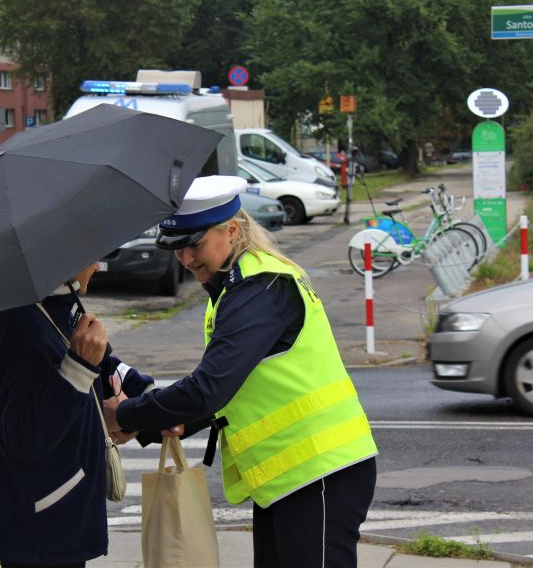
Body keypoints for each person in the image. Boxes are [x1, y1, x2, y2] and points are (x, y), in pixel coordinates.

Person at [104, 175, 378, 568]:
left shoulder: (260, 290)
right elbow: (236, 386)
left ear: (231, 230)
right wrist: (170, 422)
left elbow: (208, 388)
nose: (185, 259)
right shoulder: (238, 287)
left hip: (320, 472)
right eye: (177, 249)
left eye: (194, 245)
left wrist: (125, 414)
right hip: (288, 477)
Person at [0, 261, 154, 568]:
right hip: (39, 526)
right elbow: (26, 435)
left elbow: (103, 363)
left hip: (58, 512)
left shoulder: (54, 304)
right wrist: (79, 368)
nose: (97, 266)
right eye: (91, 256)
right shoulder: (11, 321)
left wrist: (145, 397)